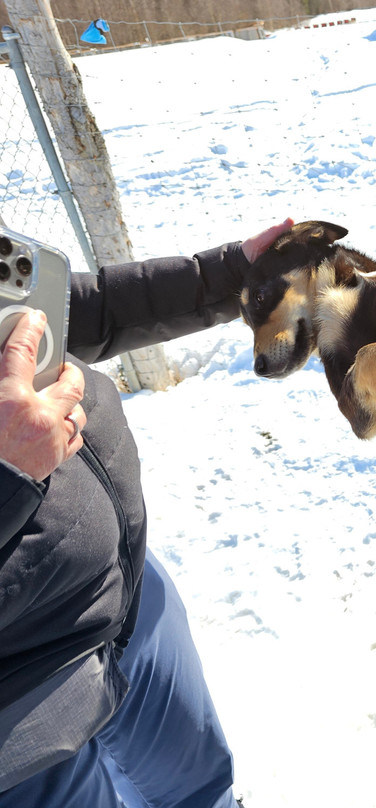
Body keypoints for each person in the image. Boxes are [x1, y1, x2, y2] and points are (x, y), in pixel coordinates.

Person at [0, 218, 292, 807]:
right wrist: (8, 477)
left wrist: (230, 276)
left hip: (123, 590)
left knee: (203, 792)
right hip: (25, 711)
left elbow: (57, 314)